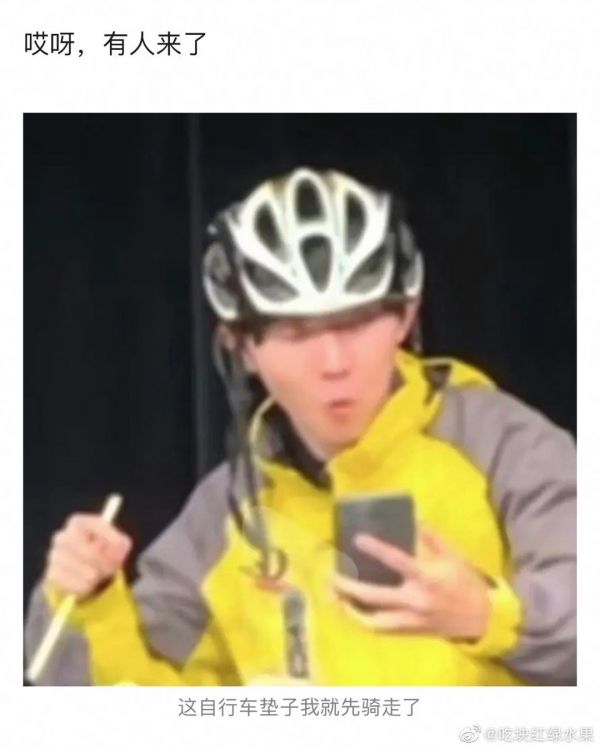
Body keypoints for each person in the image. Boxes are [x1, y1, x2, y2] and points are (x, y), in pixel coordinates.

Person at [24, 167, 576, 686]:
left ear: (405, 317)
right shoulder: (228, 514)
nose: (334, 362)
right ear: (241, 346)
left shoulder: (505, 447)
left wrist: (483, 614)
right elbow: (117, 708)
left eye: (357, 322)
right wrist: (88, 603)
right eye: (296, 333)